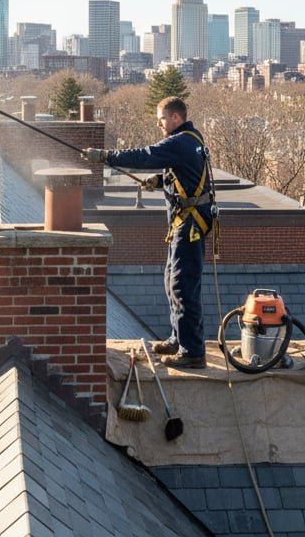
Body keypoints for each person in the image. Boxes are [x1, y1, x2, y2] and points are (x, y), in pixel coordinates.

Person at [82, 96, 215, 368]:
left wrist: (105, 156)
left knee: (182, 284)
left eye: (162, 118)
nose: (159, 123)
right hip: (186, 222)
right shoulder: (191, 138)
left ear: (175, 118)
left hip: (188, 225)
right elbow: (186, 170)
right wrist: (162, 179)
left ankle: (192, 352)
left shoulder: (179, 142)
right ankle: (179, 338)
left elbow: (145, 155)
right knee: (173, 279)